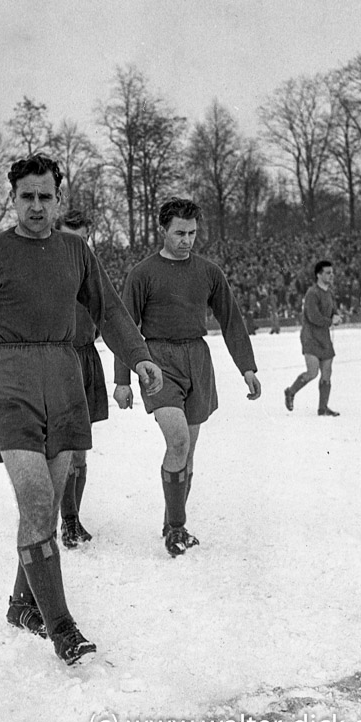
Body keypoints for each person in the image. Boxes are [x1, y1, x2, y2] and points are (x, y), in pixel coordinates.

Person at [0, 154, 163, 667]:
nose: (36, 206)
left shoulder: (76, 252)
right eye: (27, 197)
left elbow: (109, 309)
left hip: (65, 380)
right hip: (10, 380)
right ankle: (61, 625)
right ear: (12, 199)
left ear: (58, 199)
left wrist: (140, 357)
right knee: (37, 500)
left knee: (48, 499)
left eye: (45, 196)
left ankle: (23, 603)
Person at [113, 197, 261, 558]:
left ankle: (171, 520)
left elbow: (231, 320)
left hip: (197, 357)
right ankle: (176, 529)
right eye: (179, 232)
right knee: (177, 441)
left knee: (188, 452)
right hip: (158, 361)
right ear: (163, 230)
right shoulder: (142, 273)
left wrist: (247, 366)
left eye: (193, 233)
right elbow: (125, 328)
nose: (187, 240)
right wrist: (122, 379)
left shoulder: (209, 272)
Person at [53, 209, 109, 549]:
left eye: (84, 241)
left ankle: (73, 518)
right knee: (64, 449)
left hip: (87, 359)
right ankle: (67, 520)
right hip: (59, 361)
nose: (79, 247)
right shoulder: (46, 270)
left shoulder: (93, 272)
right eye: (72, 240)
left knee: (81, 451)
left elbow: (110, 313)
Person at [284, 260, 342, 416]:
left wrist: (336, 316)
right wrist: (330, 321)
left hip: (324, 337)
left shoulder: (329, 293)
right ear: (319, 275)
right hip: (310, 337)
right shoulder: (312, 293)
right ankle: (290, 391)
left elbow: (332, 311)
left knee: (327, 373)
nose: (331, 275)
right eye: (328, 273)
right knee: (312, 372)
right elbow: (313, 316)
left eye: (332, 272)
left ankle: (323, 408)